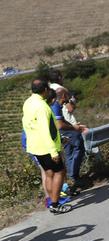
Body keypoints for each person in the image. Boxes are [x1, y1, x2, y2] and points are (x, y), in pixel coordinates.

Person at [22, 79, 71, 214]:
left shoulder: (28, 103)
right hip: (46, 147)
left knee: (49, 174)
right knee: (59, 172)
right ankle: (55, 204)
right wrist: (53, 151)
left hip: (35, 145)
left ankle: (51, 202)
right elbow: (45, 130)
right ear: (44, 90)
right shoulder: (42, 107)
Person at [53, 89, 88, 195]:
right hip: (66, 130)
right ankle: (73, 178)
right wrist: (74, 127)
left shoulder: (54, 103)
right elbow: (61, 122)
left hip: (62, 130)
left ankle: (70, 180)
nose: (68, 98)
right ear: (63, 95)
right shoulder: (56, 105)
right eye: (67, 96)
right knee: (78, 148)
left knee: (68, 154)